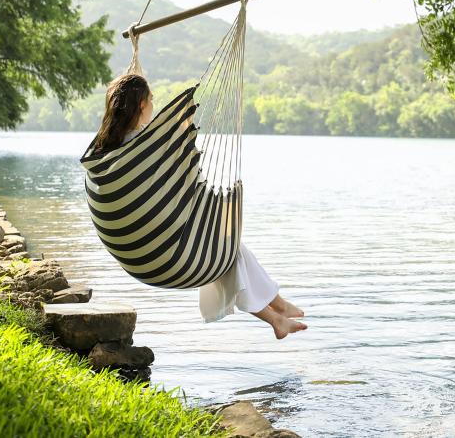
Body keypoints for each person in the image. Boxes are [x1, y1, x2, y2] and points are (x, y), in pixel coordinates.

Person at [92, 73, 307, 340]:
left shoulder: (102, 150)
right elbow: (179, 171)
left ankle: (277, 315)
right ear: (141, 106)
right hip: (165, 254)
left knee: (226, 251)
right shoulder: (144, 145)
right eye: (152, 100)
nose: (153, 106)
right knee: (228, 250)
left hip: (137, 253)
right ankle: (278, 308)